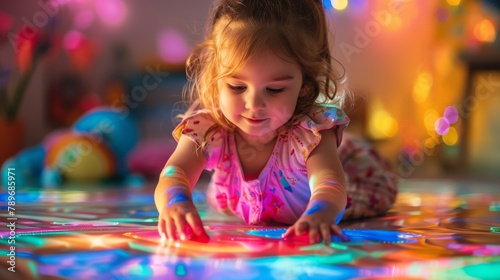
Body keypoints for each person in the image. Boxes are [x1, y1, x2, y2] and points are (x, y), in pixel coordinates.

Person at [154, 0, 398, 245]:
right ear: (215, 77)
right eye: (237, 86)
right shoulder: (209, 130)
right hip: (256, 194)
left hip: (354, 170)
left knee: (358, 171)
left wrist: (320, 215)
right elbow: (174, 173)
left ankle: (346, 148)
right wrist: (176, 202)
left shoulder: (310, 135)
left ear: (304, 85)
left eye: (274, 89)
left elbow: (330, 185)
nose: (254, 103)